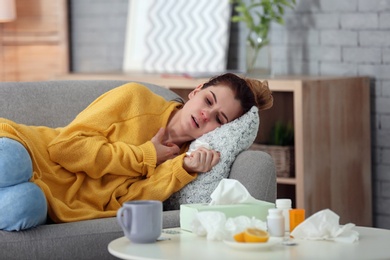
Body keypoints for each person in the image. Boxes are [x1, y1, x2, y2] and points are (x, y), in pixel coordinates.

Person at [0, 73, 273, 231]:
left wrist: (184, 169)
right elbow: (64, 148)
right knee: (12, 164)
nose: (205, 114)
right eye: (208, 100)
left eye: (219, 119)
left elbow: (126, 200)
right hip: (29, 149)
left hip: (52, 201)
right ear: (196, 91)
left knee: (24, 205)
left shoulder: (181, 163)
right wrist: (145, 155)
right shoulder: (136, 98)